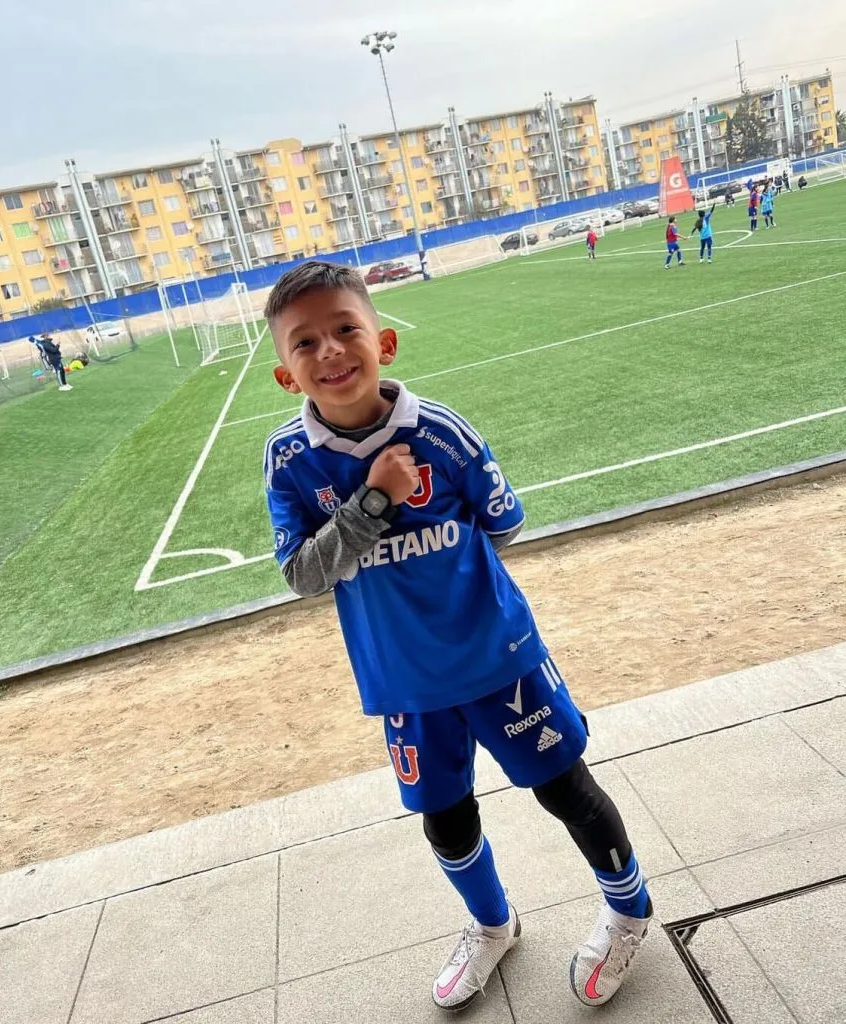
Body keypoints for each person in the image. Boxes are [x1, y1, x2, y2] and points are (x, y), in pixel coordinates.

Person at [262, 262, 655, 1013]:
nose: (331, 351)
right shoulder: (288, 460)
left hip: (496, 659)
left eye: (345, 329)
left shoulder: (441, 433)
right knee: (444, 817)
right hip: (403, 680)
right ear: (288, 377)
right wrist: (375, 500)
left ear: (384, 342)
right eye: (305, 343)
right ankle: (491, 924)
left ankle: (629, 909)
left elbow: (504, 521)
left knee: (562, 787)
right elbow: (305, 575)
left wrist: (446, 576)